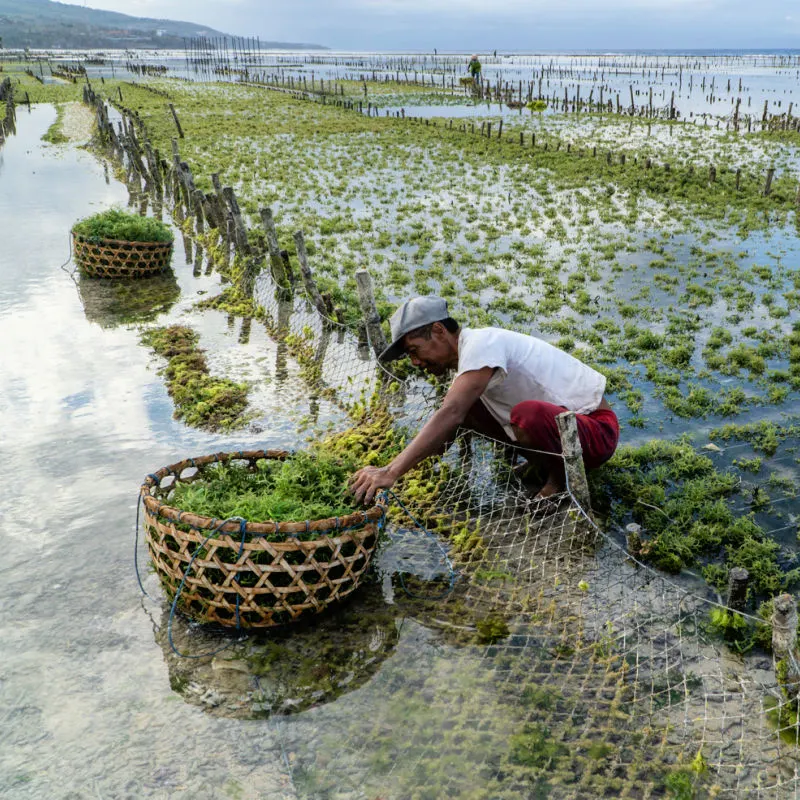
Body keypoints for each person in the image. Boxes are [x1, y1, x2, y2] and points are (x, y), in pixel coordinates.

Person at [349, 296, 619, 505]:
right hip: (566, 430)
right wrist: (413, 465)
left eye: (414, 350)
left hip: (595, 430)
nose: (415, 362)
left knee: (526, 414)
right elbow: (453, 417)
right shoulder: (468, 362)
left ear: (439, 331)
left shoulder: (482, 344)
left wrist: (390, 471)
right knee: (469, 408)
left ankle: (559, 481)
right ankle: (545, 461)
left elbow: (451, 412)